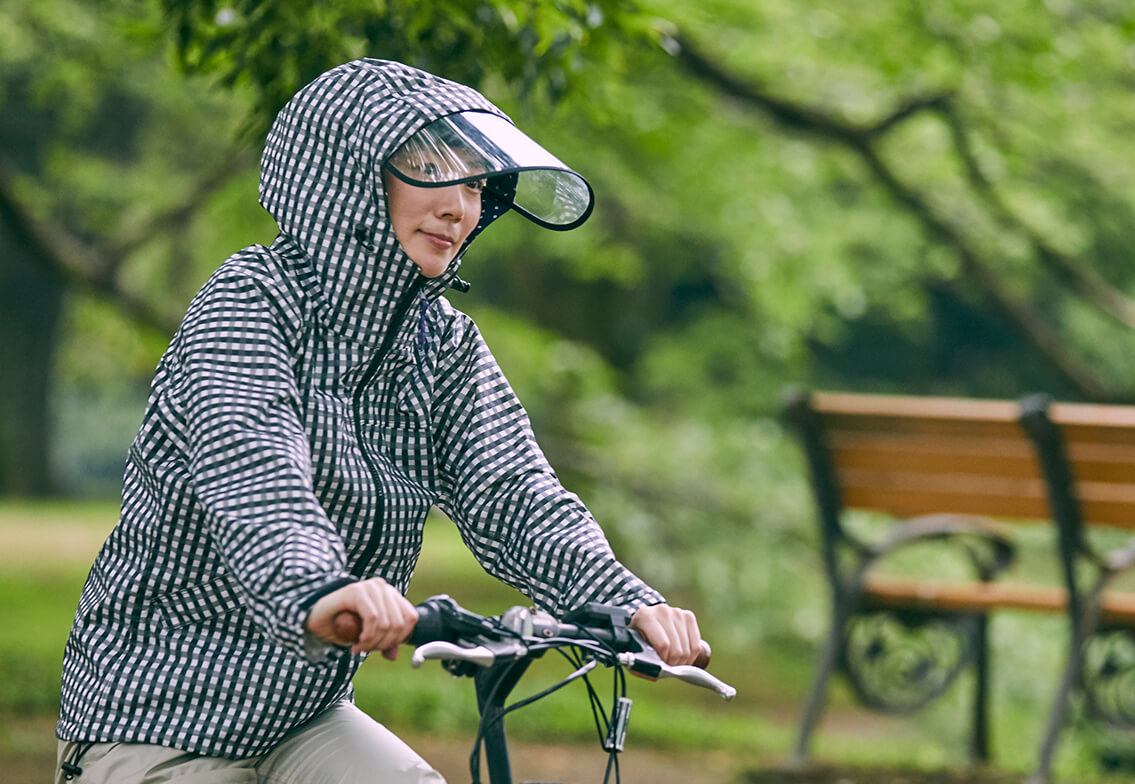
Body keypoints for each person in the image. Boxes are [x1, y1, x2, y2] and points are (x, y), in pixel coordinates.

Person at [54, 58, 704, 783]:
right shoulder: (252, 301)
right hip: (159, 711)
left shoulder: (444, 345)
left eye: (474, 183)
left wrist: (624, 603)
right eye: (429, 168)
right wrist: (317, 586)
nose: (459, 206)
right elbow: (251, 463)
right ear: (349, 178)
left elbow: (513, 490)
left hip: (299, 715)